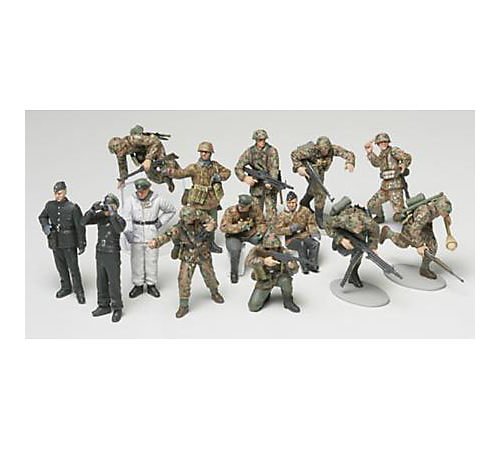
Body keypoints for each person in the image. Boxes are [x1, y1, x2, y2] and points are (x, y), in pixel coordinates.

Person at [149, 206, 224, 318]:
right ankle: (184, 305)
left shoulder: (200, 216)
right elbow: (167, 235)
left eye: (191, 217)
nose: (189, 220)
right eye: (187, 218)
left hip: (203, 252)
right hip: (188, 255)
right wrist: (156, 242)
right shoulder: (178, 228)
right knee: (183, 279)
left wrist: (212, 226)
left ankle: (214, 292)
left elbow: (211, 221)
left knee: (210, 275)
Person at [166, 141, 231, 253]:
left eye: (206, 152)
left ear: (210, 153)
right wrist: (171, 171)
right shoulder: (194, 167)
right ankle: (196, 243)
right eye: (202, 152)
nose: (204, 154)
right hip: (198, 201)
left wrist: (218, 177)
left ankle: (211, 243)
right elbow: (181, 173)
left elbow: (227, 172)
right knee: (196, 224)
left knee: (212, 222)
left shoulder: (215, 166)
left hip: (212, 200)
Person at [122, 178, 176, 298]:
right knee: (137, 260)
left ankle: (151, 284)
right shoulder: (131, 200)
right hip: (136, 233)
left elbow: (171, 210)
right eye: (138, 191)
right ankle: (138, 284)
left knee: (152, 260)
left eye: (143, 191)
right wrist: (128, 231)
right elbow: (126, 217)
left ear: (148, 189)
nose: (140, 193)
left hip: (151, 232)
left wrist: (160, 222)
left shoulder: (157, 199)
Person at [380, 193, 453, 279]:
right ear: (439, 208)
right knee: (402, 244)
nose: (444, 214)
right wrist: (420, 245)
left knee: (432, 247)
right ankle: (388, 233)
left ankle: (424, 269)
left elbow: (444, 205)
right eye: (444, 212)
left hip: (424, 225)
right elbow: (413, 230)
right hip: (411, 226)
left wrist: (446, 216)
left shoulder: (439, 202)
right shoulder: (424, 214)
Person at [38, 181, 86, 304]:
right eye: (56, 193)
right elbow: (42, 217)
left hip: (69, 241)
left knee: (73, 267)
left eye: (60, 193)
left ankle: (79, 291)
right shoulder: (50, 206)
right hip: (55, 240)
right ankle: (66, 287)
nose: (57, 196)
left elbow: (80, 227)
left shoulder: (72, 207)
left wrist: (81, 243)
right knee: (60, 266)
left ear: (65, 192)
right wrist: (46, 227)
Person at [291, 136, 355, 228]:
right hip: (309, 168)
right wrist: (299, 167)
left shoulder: (333, 149)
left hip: (320, 169)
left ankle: (304, 202)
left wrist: (350, 162)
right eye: (321, 149)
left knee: (315, 187)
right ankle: (319, 218)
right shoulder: (310, 150)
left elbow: (348, 154)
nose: (324, 151)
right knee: (320, 192)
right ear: (317, 147)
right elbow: (294, 154)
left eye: (326, 149)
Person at [81, 194, 126, 322]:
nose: (107, 208)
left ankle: (117, 307)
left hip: (112, 254)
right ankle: (103, 305)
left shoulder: (119, 219)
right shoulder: (100, 217)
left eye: (110, 205)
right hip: (100, 252)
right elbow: (82, 222)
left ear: (116, 207)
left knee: (114, 282)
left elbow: (119, 229)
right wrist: (92, 210)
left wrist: (112, 214)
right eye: (106, 205)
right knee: (101, 281)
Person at [324, 198, 380, 288]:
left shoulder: (368, 222)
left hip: (358, 234)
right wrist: (340, 239)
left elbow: (375, 229)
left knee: (360, 248)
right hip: (345, 232)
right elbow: (327, 223)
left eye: (359, 228)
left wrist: (373, 246)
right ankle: (339, 244)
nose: (357, 230)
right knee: (349, 249)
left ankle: (353, 273)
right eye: (355, 229)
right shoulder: (342, 220)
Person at [108, 124, 179, 192]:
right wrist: (123, 178)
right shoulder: (120, 153)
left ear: (123, 145)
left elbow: (155, 142)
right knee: (151, 175)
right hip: (143, 153)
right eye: (117, 153)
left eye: (120, 151)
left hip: (154, 146)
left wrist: (149, 158)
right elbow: (122, 166)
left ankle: (171, 165)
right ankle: (165, 178)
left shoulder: (134, 139)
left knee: (163, 163)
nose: (120, 154)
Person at [246, 233, 301, 313]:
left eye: (275, 248)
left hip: (279, 277)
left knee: (286, 280)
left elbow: (295, 270)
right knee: (253, 306)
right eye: (268, 248)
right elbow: (248, 261)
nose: (272, 250)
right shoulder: (257, 249)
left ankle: (288, 301)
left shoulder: (283, 251)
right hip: (264, 279)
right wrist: (264, 261)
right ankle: (266, 295)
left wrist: (292, 266)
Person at [364, 132, 412, 223]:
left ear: (388, 142)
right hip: (385, 187)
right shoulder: (382, 154)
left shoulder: (394, 151)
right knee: (372, 204)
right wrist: (370, 153)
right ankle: (380, 217)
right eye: (381, 142)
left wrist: (403, 164)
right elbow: (376, 163)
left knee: (400, 215)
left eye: (385, 142)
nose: (383, 144)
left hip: (395, 187)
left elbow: (407, 157)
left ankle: (408, 225)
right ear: (378, 144)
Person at [220, 194, 267, 283]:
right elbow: (223, 227)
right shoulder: (231, 211)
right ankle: (234, 272)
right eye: (240, 205)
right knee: (235, 250)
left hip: (250, 234)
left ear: (249, 206)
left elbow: (261, 222)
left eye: (244, 207)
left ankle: (263, 266)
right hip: (234, 236)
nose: (241, 208)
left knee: (265, 243)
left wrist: (260, 232)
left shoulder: (255, 209)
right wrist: (240, 227)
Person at [234, 129, 280, 220]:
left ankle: (272, 228)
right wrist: (245, 178)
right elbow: (238, 167)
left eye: (264, 139)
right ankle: (257, 228)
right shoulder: (250, 152)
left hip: (269, 186)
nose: (262, 142)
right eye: (260, 140)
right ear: (255, 140)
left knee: (271, 212)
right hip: (256, 186)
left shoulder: (272, 151)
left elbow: (274, 168)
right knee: (255, 212)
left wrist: (271, 181)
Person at [275, 191, 320, 274]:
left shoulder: (304, 210)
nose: (291, 205)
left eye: (293, 202)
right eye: (289, 203)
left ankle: (312, 264)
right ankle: (304, 266)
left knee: (315, 244)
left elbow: (311, 222)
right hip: (291, 239)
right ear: (286, 203)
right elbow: (277, 230)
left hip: (303, 235)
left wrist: (314, 231)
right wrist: (290, 229)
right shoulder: (282, 215)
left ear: (296, 202)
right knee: (301, 245)